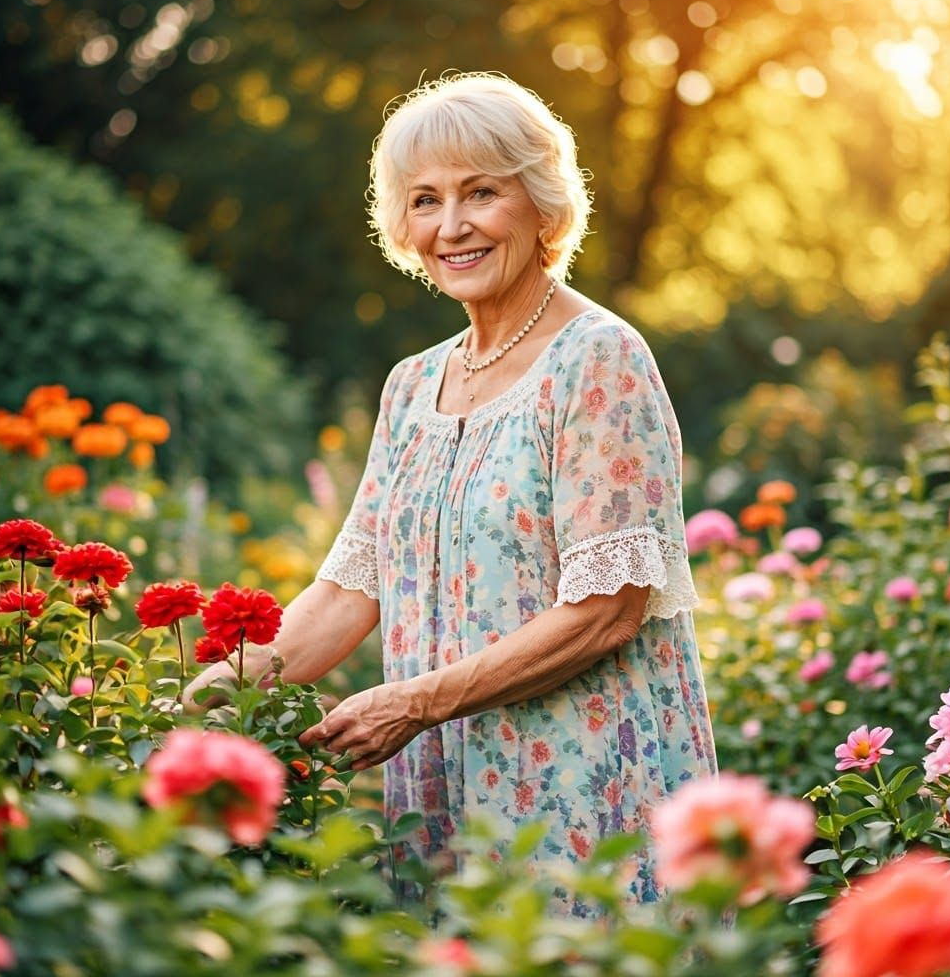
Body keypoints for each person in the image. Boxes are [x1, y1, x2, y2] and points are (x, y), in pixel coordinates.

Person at [185, 72, 716, 909]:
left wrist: (415, 702)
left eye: (481, 193)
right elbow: (353, 586)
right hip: (439, 783)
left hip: (582, 784)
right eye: (425, 200)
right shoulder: (410, 386)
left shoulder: (599, 359)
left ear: (543, 205)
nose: (452, 226)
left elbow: (610, 608)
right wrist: (225, 683)